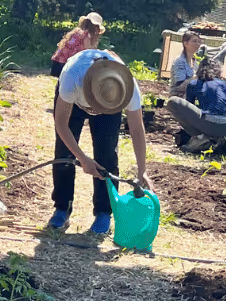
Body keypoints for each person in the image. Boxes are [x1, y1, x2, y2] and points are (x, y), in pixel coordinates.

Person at [49, 48, 150, 237]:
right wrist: (82, 158)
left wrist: (142, 170)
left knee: (107, 155)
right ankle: (62, 208)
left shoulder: (126, 88)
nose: (96, 111)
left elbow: (136, 128)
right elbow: (61, 124)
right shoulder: (72, 78)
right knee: (64, 154)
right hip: (74, 104)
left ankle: (104, 212)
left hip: (110, 106)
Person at [166, 56, 226, 153]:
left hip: (215, 124)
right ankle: (225, 140)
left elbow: (188, 110)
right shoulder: (224, 84)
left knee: (173, 102)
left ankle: (201, 138)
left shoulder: (194, 84)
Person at [50, 12, 104, 77]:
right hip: (66, 65)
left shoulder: (77, 32)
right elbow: (89, 52)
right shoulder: (86, 35)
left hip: (58, 63)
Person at [169, 28, 202, 95]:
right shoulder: (180, 61)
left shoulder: (194, 61)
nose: (197, 44)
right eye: (194, 41)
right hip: (178, 97)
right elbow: (179, 87)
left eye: (199, 42)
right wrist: (196, 78)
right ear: (185, 44)